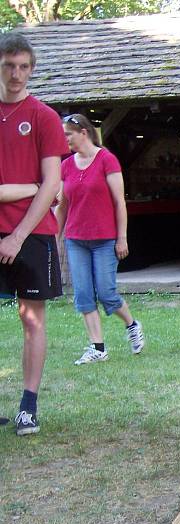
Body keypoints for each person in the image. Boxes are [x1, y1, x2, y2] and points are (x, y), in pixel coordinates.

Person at [0, 33, 69, 436]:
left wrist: (17, 236)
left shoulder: (43, 116)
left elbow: (54, 184)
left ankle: (28, 405)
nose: (16, 75)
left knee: (32, 320)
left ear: (32, 69)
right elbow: (45, 185)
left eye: (24, 67)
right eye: (9, 66)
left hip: (32, 232)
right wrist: (33, 186)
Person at [56, 114, 144, 365]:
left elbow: (119, 202)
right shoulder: (67, 166)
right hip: (76, 239)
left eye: (68, 135)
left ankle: (132, 324)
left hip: (105, 238)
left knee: (106, 292)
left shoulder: (107, 160)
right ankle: (97, 347)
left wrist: (122, 238)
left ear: (83, 132)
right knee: (83, 294)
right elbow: (62, 205)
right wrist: (55, 236)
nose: (66, 140)